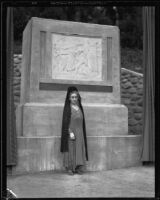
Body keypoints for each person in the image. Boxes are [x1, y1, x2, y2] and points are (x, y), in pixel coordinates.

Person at [60, 86, 88, 175]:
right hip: (71, 133)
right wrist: (70, 132)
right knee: (71, 150)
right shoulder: (68, 109)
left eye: (76, 97)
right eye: (72, 97)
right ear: (69, 98)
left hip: (80, 133)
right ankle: (70, 168)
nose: (74, 99)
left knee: (79, 150)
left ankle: (77, 167)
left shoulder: (80, 108)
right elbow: (65, 123)